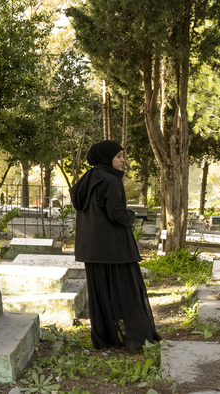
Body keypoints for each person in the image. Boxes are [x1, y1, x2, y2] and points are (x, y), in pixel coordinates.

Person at [70, 140, 161, 351]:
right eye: (119, 157)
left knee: (101, 295)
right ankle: (136, 339)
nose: (123, 161)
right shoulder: (110, 180)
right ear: (106, 158)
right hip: (114, 248)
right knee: (128, 290)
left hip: (92, 250)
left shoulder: (88, 178)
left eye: (123, 157)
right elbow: (116, 213)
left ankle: (106, 338)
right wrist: (132, 216)